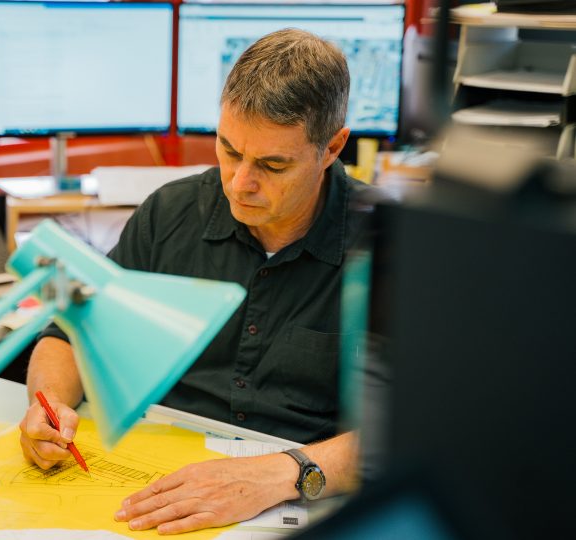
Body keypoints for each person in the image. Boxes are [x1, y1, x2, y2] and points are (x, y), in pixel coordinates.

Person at [20, 28, 374, 534]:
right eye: (229, 150)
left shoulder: (387, 246)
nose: (239, 182)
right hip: (154, 478)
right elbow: (73, 332)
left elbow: (420, 428)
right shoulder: (171, 211)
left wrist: (280, 474)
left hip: (296, 493)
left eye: (273, 164)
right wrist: (49, 405)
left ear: (333, 146)